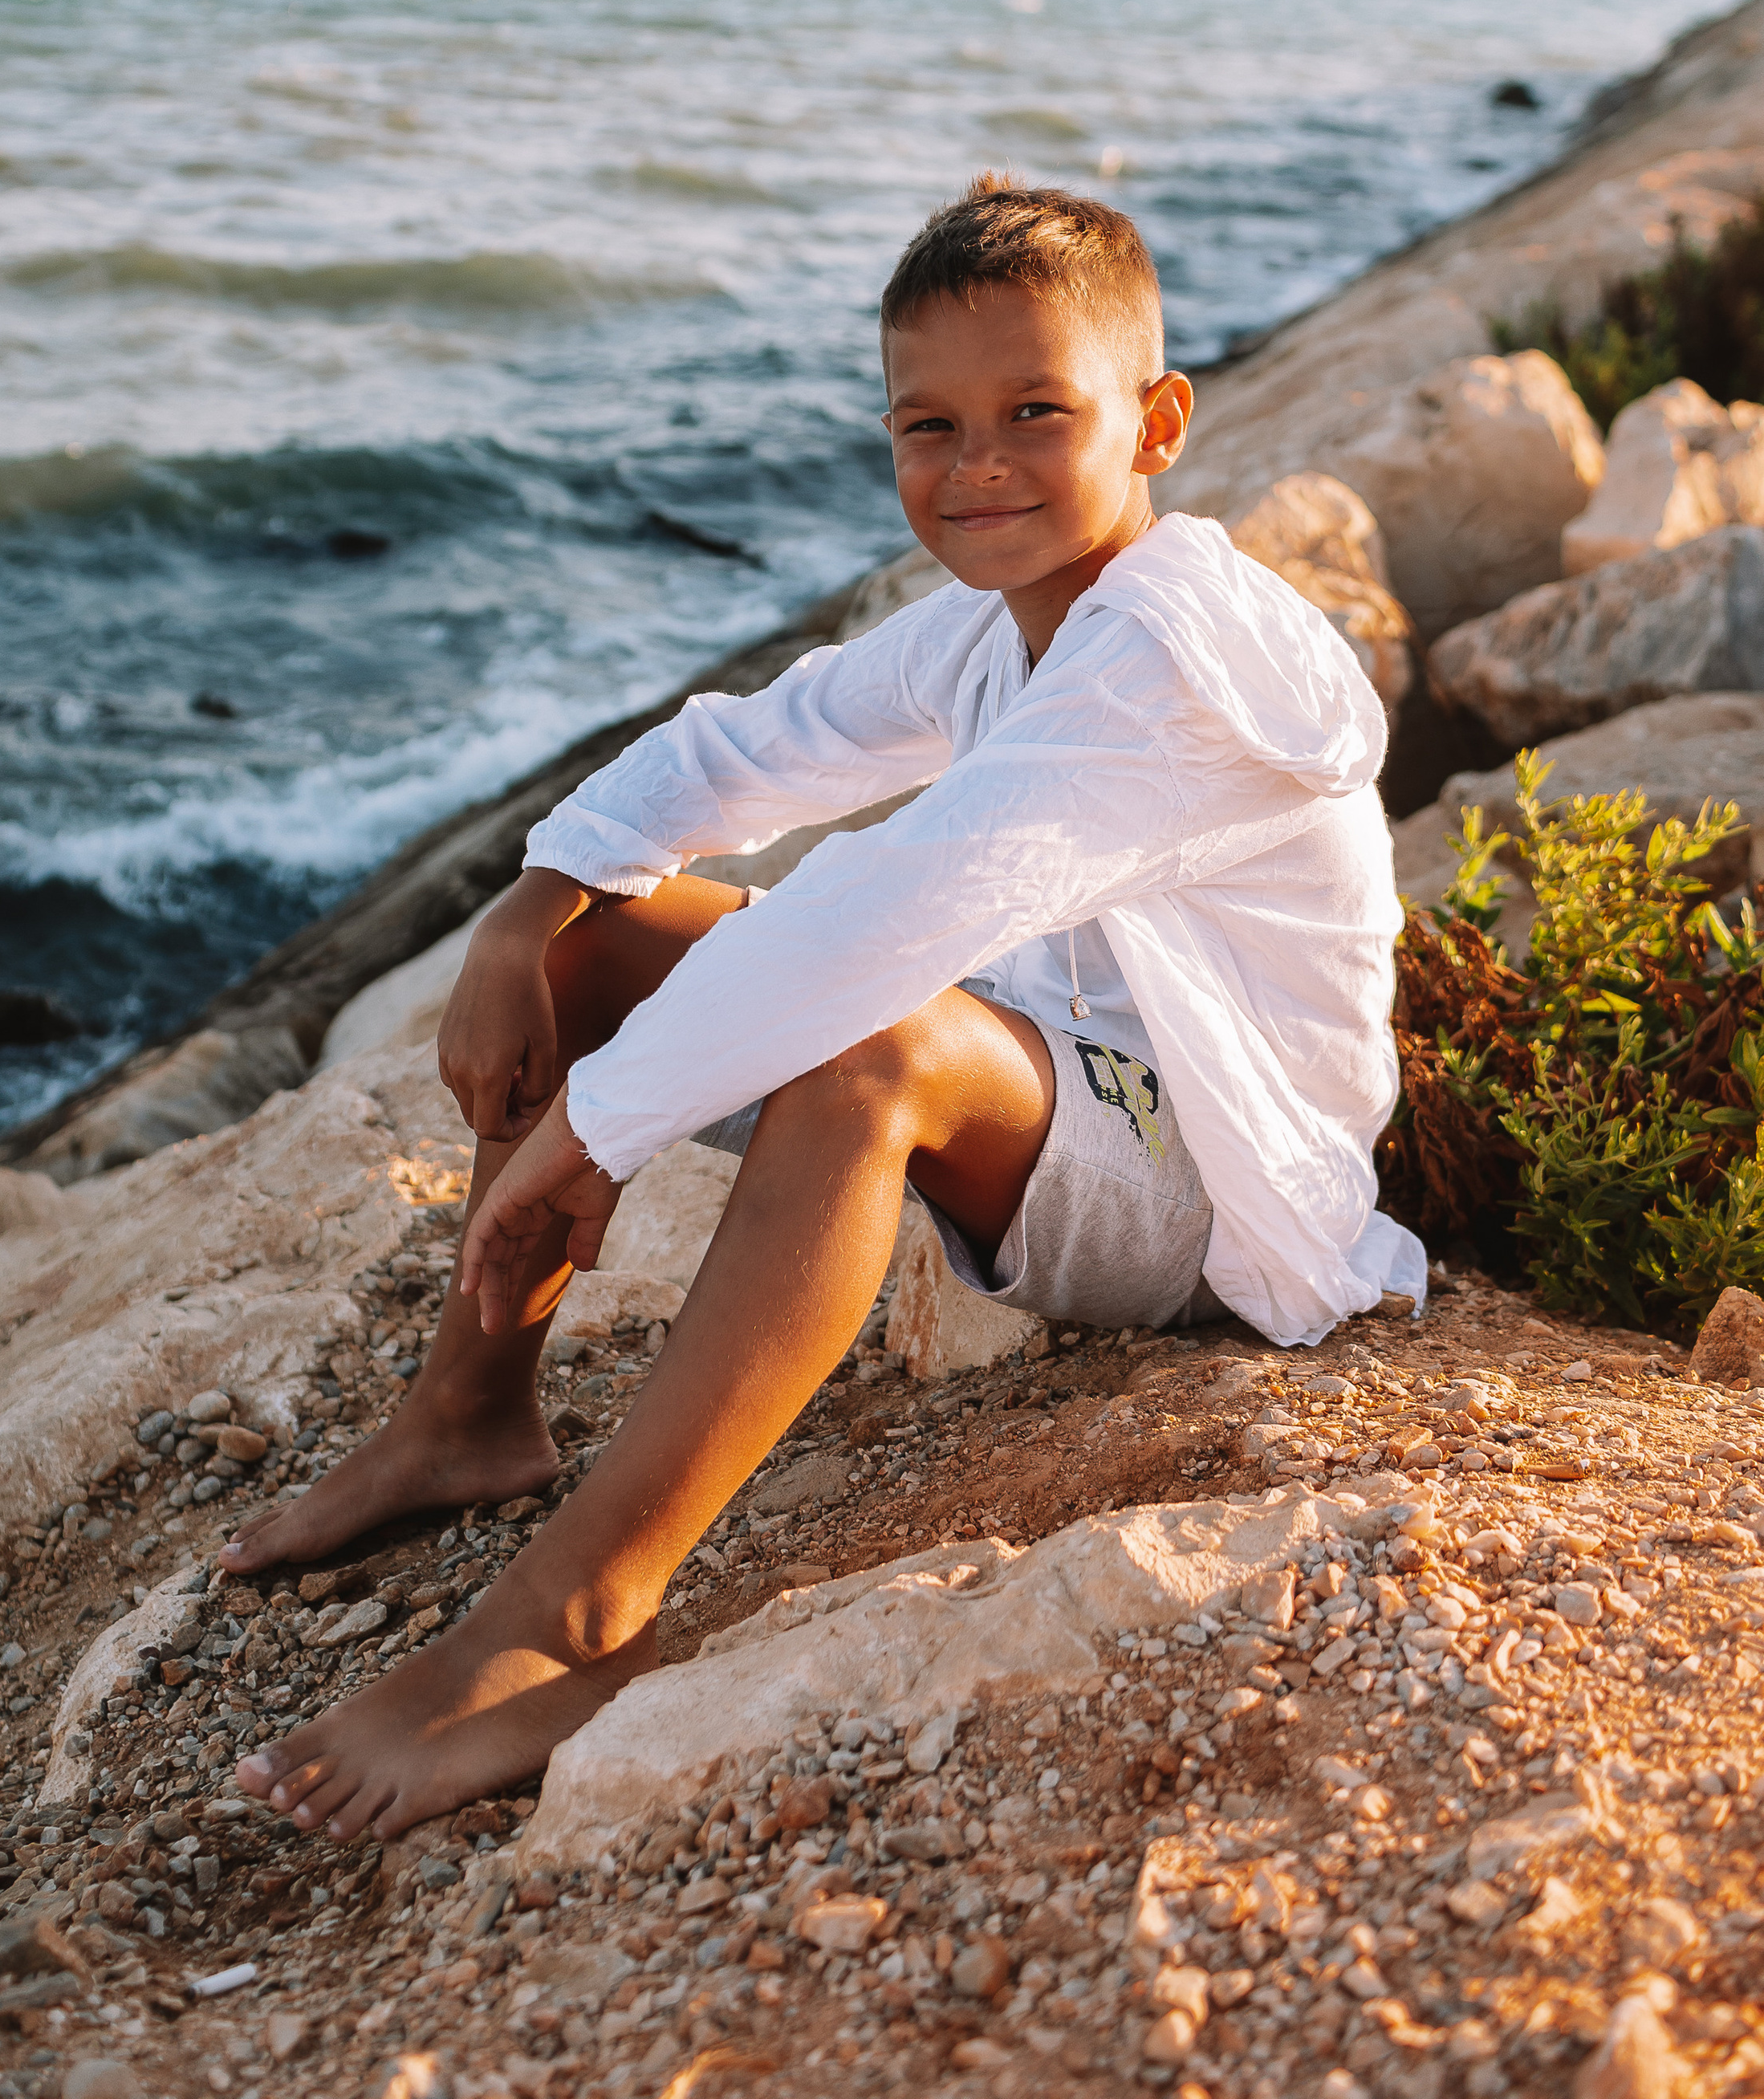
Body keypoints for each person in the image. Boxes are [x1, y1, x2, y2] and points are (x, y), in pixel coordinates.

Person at [222, 175, 1421, 1841]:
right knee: (596, 942)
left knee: (870, 1041)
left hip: (1207, 1181)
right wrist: (532, 903)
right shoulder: (992, 627)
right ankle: (465, 1420)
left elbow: (892, 904)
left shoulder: (1173, 659)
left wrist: (598, 1123)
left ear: (1152, 424)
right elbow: (743, 747)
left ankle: (570, 1625)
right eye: (924, 425)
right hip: (1043, 1086)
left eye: (1032, 413)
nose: (974, 464)